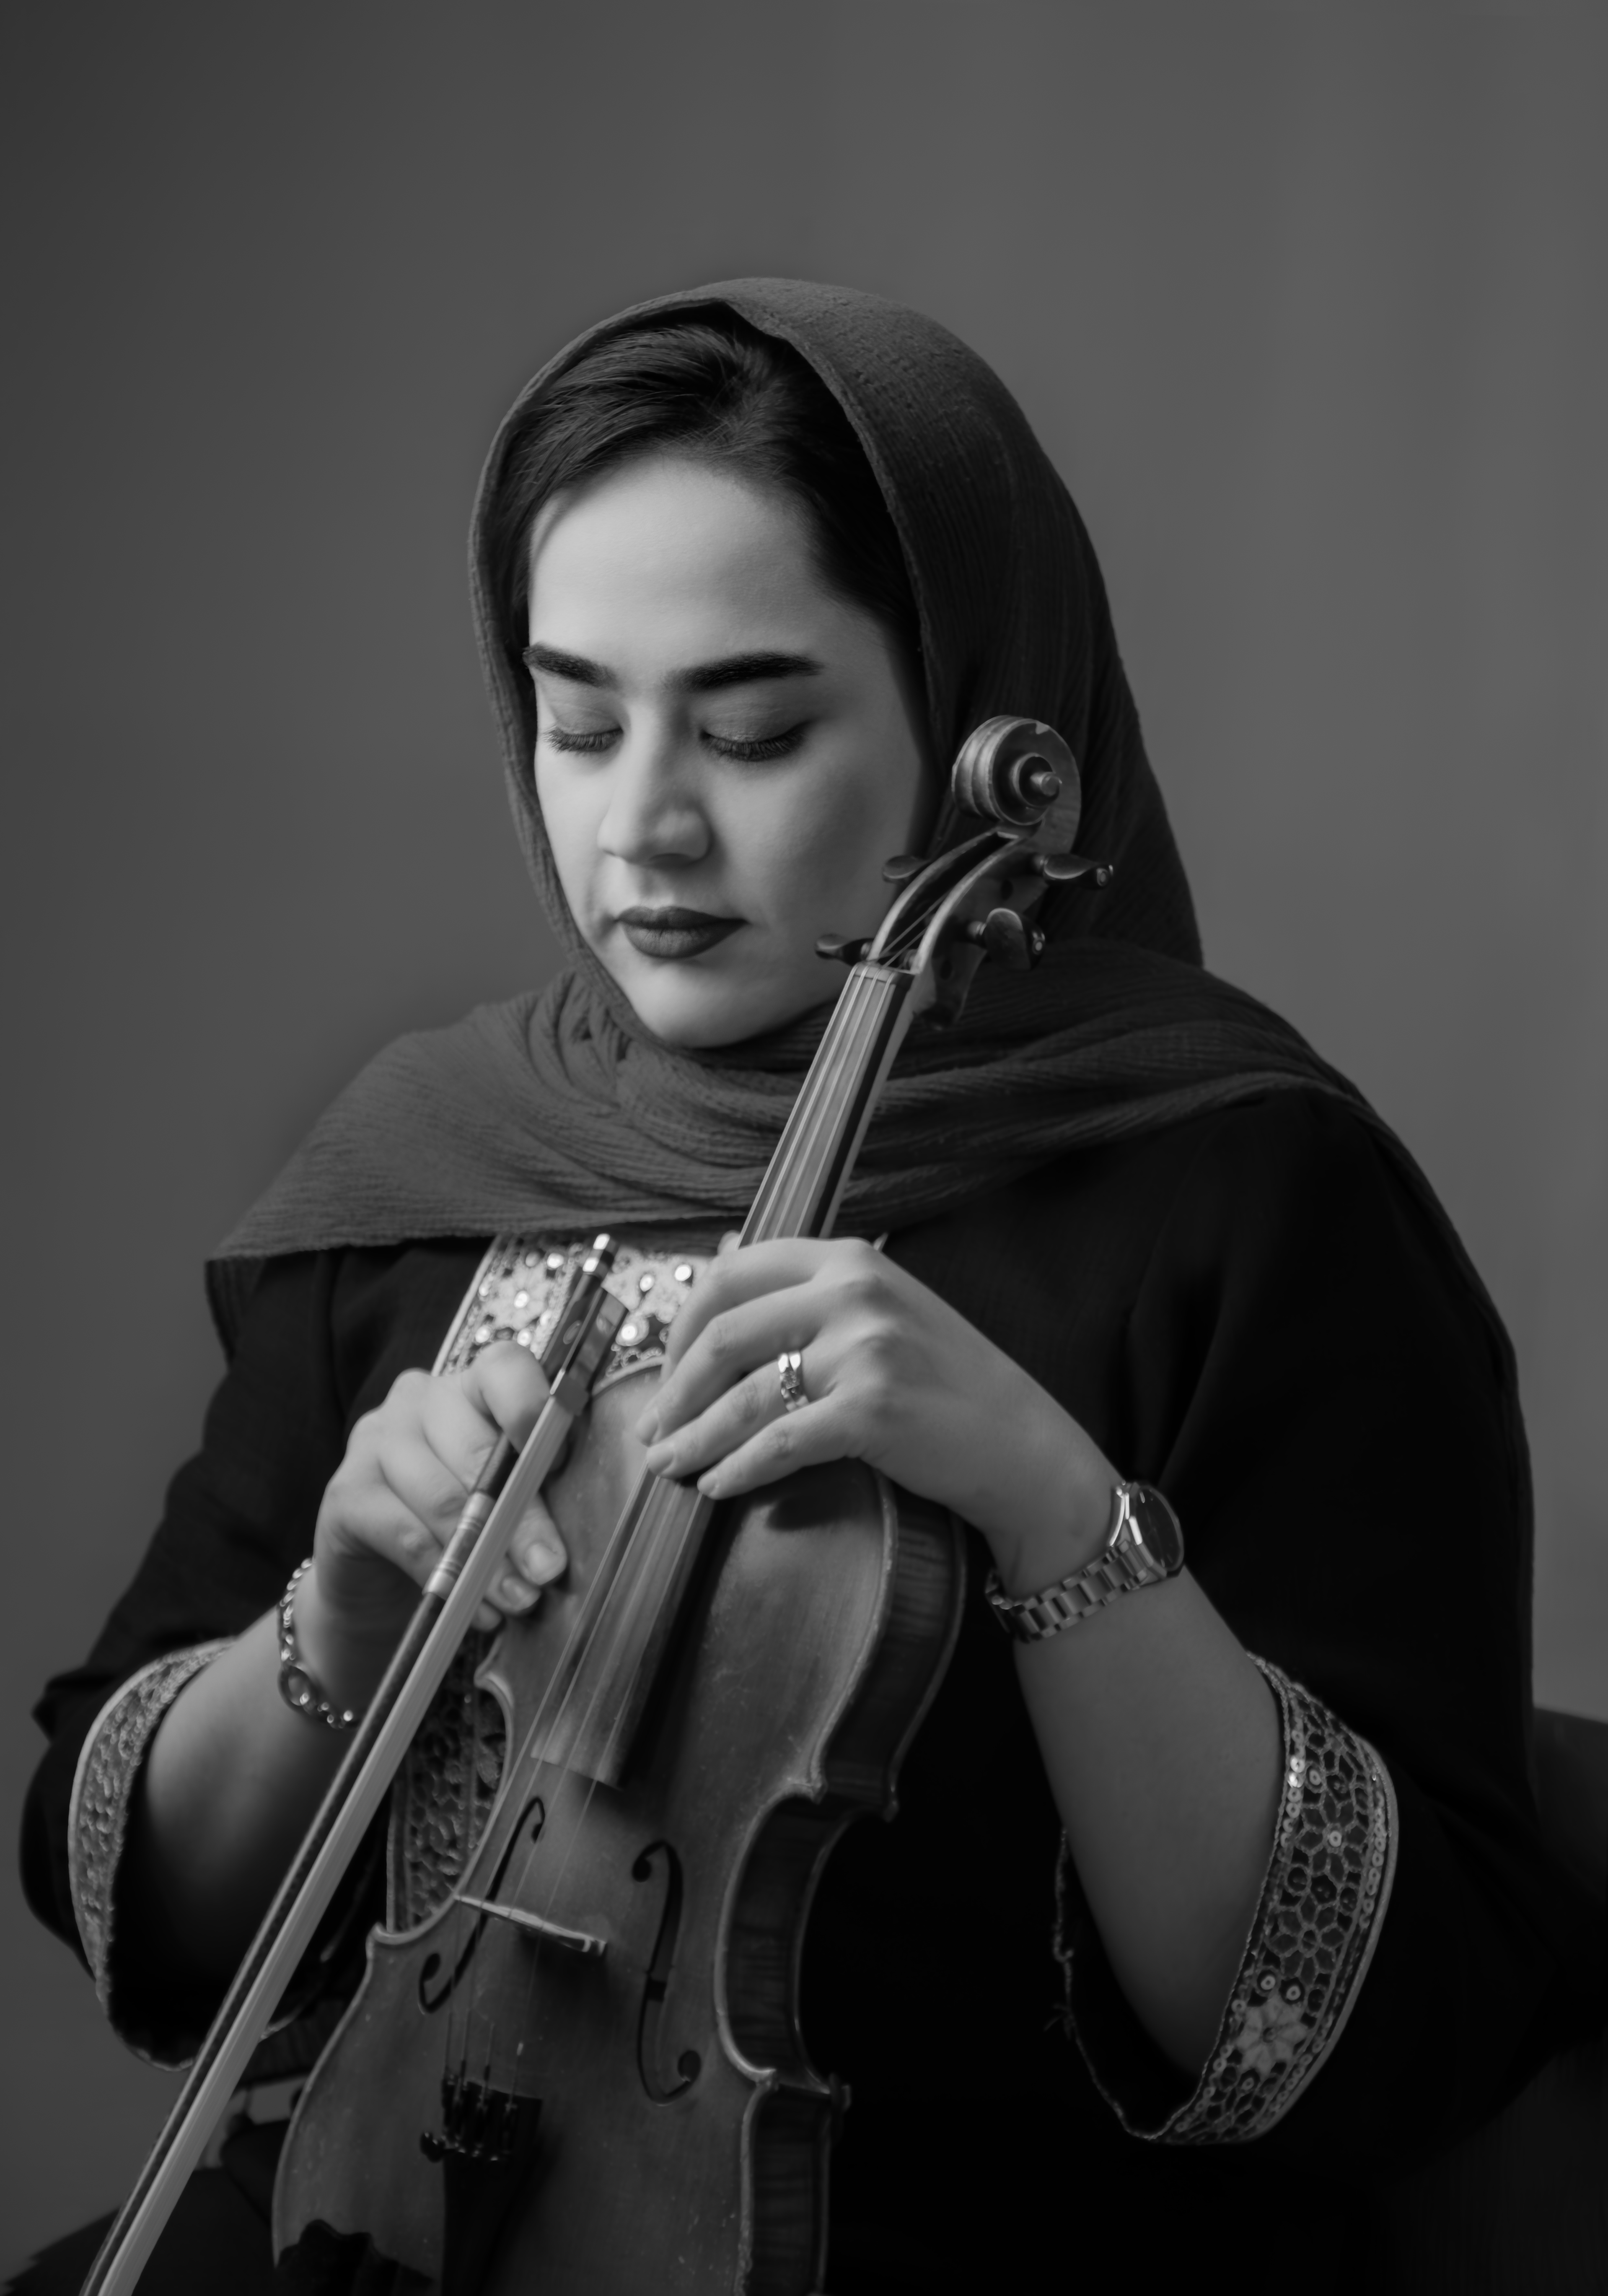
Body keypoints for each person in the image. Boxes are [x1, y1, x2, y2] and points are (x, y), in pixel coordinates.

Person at [17, 280, 1599, 2294]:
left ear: (975, 723)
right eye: (577, 719)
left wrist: (1052, 1507)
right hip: (374, 2212)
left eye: (755, 731)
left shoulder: (1252, 1197)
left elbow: (1396, 2022)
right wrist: (333, 1617)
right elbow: (134, 1899)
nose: (642, 825)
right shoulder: (428, 1165)